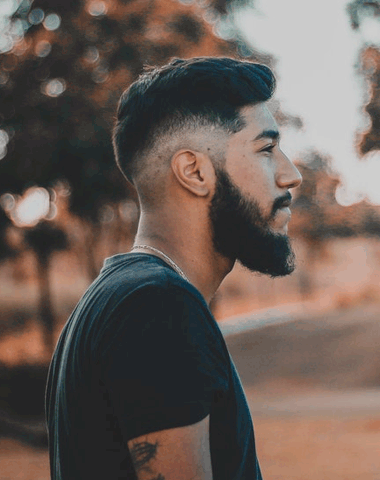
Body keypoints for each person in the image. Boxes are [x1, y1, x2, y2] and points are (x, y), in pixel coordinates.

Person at [46, 56, 302, 480]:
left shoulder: (118, 297)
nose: (290, 175)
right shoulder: (157, 307)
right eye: (266, 150)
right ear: (194, 172)